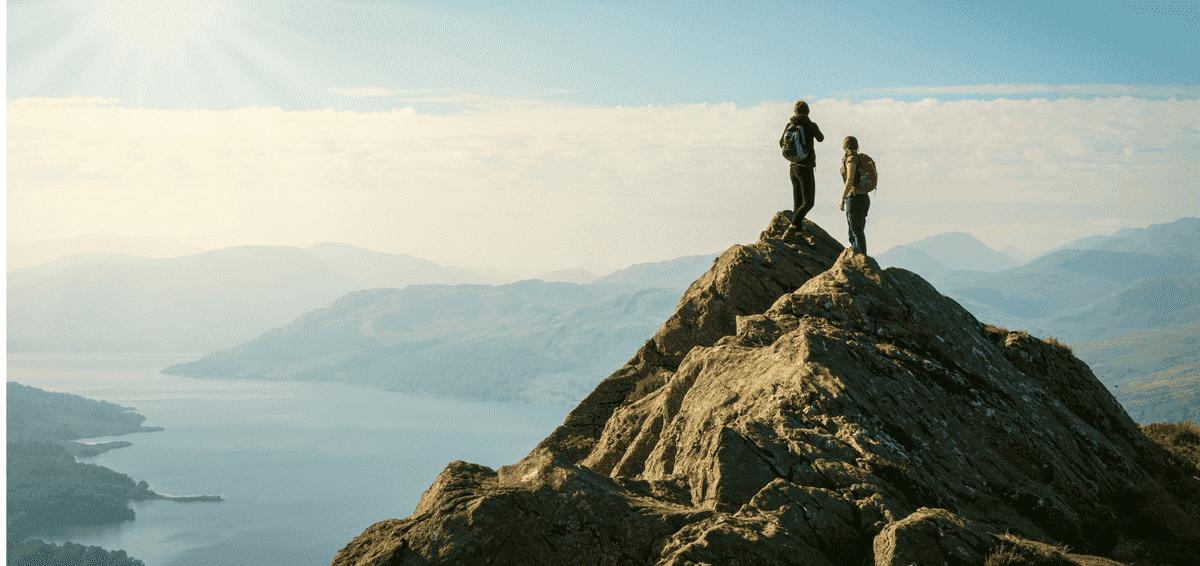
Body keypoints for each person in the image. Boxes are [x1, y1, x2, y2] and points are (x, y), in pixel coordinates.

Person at [780, 101, 823, 237]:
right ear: (808, 111)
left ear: (794, 111)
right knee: (808, 202)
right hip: (805, 167)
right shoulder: (810, 125)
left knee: (797, 203)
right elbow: (821, 138)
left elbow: (781, 143)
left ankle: (797, 234)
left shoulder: (789, 125)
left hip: (793, 167)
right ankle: (792, 227)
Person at [839, 136, 870, 255]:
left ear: (845, 147)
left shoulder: (851, 159)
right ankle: (859, 257)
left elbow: (850, 179)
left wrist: (842, 198)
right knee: (856, 231)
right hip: (864, 198)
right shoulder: (859, 159)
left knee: (855, 231)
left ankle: (861, 260)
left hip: (854, 197)